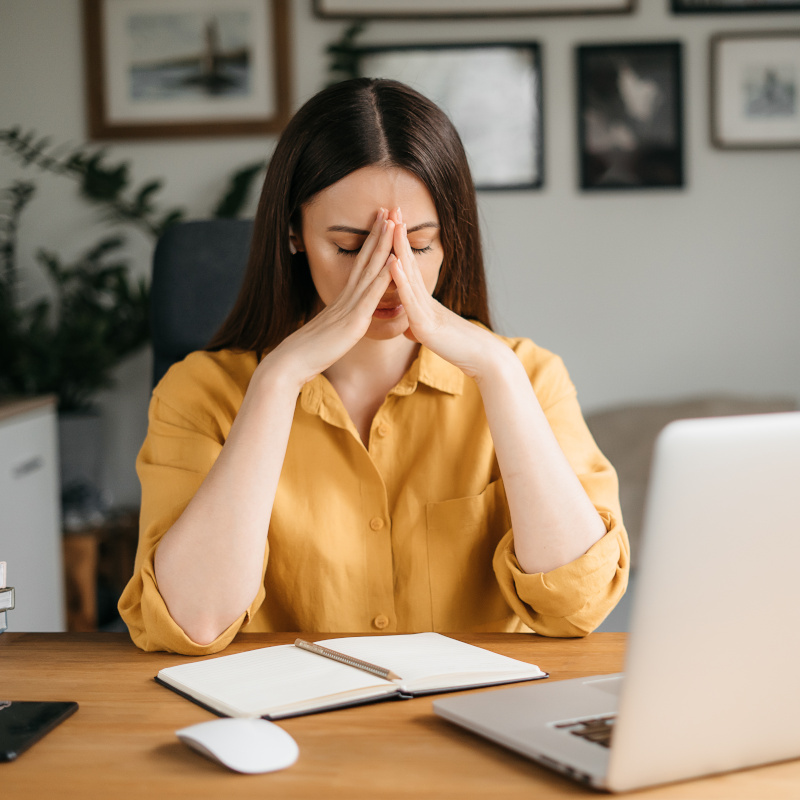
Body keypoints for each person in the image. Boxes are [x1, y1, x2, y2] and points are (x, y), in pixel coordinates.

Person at [119, 78, 629, 655]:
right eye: (349, 246)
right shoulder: (198, 393)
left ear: (452, 239)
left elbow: (577, 606)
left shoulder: (528, 376)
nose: (388, 275)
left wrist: (497, 372)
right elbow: (190, 622)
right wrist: (278, 382)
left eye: (418, 246)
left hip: (467, 722)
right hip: (290, 726)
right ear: (293, 234)